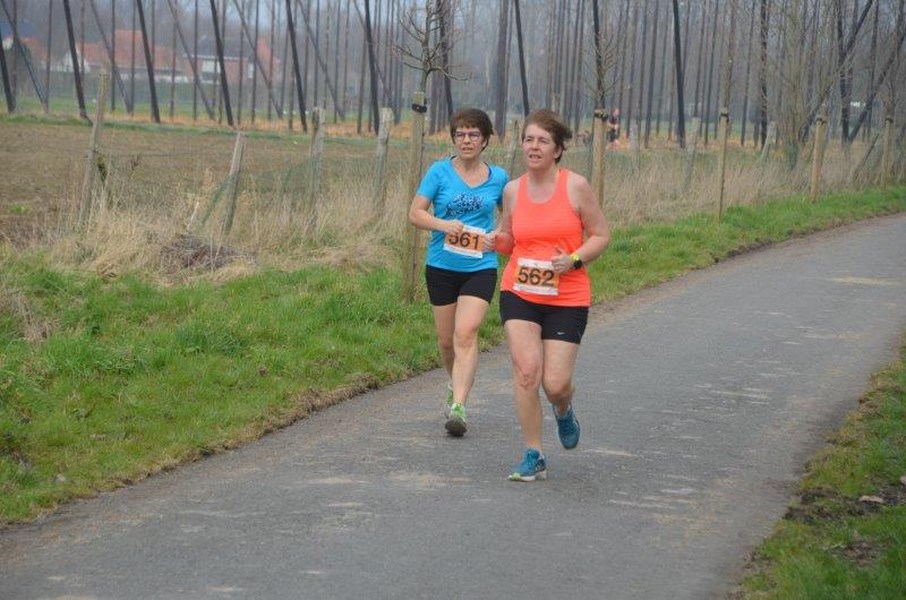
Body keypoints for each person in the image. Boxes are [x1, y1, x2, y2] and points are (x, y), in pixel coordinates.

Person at [491, 109, 611, 481]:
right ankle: (534, 454)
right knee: (527, 372)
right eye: (528, 139)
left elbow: (601, 235)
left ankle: (563, 409)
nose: (533, 146)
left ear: (558, 150)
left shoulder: (575, 186)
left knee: (554, 383)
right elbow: (510, 240)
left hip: (567, 295)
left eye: (542, 141)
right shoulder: (511, 190)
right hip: (520, 290)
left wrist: (573, 259)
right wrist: (497, 241)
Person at [408, 108, 508, 437]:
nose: (466, 140)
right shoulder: (438, 172)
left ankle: (460, 407)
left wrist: (498, 235)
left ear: (485, 140)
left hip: (480, 266)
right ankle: (455, 385)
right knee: (447, 343)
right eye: (460, 134)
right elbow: (415, 213)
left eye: (473, 134)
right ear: (454, 139)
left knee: (466, 334)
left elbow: (511, 218)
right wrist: (443, 225)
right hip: (441, 265)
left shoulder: (499, 178)